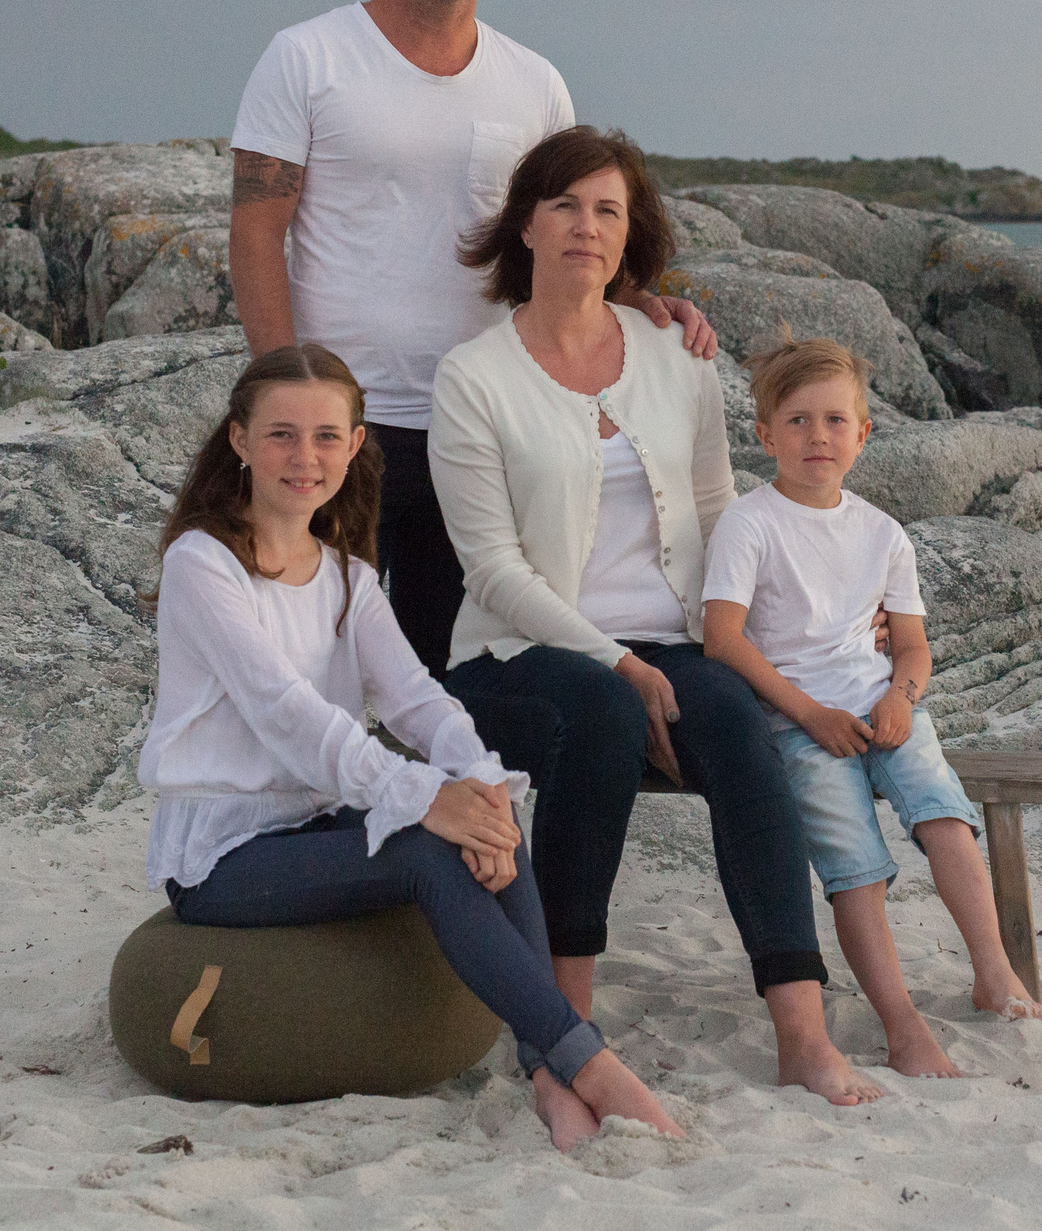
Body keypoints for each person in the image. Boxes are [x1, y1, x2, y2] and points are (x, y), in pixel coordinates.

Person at [428, 125, 883, 1106]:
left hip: (674, 640)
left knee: (733, 725)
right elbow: (493, 571)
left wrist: (796, 629)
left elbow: (724, 513)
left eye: (607, 210)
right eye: (564, 205)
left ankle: (802, 1034)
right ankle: (563, 1031)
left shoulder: (675, 354)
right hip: (519, 651)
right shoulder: (474, 377)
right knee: (599, 711)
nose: (585, 227)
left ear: (630, 235)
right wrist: (615, 664)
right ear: (527, 225)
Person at [138, 342, 682, 1151]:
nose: (304, 457)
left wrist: (475, 780)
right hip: (224, 854)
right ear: (240, 442)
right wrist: (430, 798)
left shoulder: (344, 573)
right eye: (281, 435)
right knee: (431, 847)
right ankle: (587, 1065)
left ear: (356, 447)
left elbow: (419, 697)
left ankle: (548, 1068)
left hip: (315, 827)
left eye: (326, 437)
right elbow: (286, 714)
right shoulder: (203, 564)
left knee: (492, 815)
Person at [228, 0, 713, 674]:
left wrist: (643, 298)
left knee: (456, 670)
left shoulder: (535, 83)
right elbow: (255, 231)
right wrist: (288, 392)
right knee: (302, 654)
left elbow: (571, 220)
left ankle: (453, 803)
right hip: (346, 419)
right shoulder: (308, 57)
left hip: (488, 416)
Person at [700, 336, 1042, 1078]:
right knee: (855, 865)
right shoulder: (749, 523)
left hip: (884, 706)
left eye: (833, 420)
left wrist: (901, 698)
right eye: (796, 421)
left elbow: (913, 648)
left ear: (863, 433)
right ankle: (902, 1024)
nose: (816, 437)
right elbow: (722, 639)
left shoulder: (882, 533)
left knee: (942, 810)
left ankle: (992, 970)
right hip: (798, 724)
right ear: (764, 435)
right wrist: (808, 714)